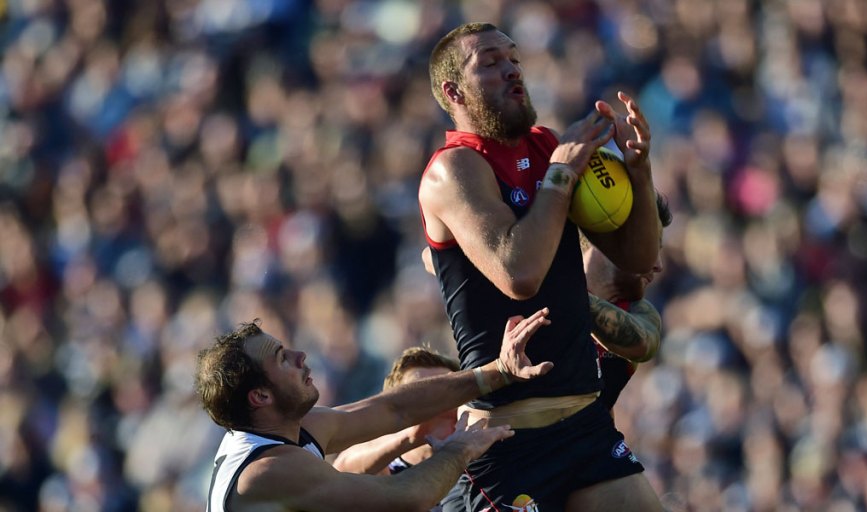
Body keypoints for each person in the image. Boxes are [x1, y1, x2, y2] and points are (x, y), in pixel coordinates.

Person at [418, 22, 663, 511]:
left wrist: (639, 170)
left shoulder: (544, 146)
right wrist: (561, 173)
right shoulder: (453, 169)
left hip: (585, 423)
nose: (511, 70)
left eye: (513, 59)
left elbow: (636, 258)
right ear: (453, 91)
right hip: (511, 439)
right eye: (489, 63)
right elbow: (519, 275)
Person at [195, 308, 553, 512]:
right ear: (260, 397)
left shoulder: (289, 426)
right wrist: (461, 448)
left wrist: (497, 372)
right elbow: (405, 497)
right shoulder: (268, 471)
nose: (300, 356)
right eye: (281, 358)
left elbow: (394, 408)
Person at [584, 193, 673, 412]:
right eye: (652, 246)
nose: (659, 265)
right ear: (611, 239)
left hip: (593, 444)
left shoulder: (639, 313)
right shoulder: (531, 293)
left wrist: (561, 294)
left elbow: (642, 343)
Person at [332, 347, 461, 475]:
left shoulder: (476, 456)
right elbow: (341, 469)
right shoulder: (385, 468)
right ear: (394, 407)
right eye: (419, 393)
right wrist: (413, 435)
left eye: (446, 390)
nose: (436, 402)